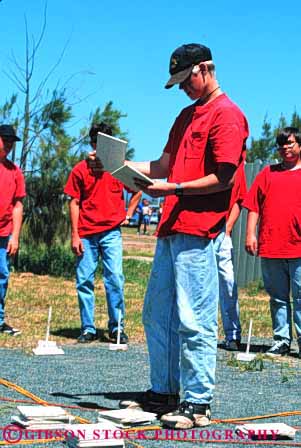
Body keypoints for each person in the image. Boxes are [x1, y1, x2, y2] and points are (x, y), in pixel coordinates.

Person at [119, 43, 248, 428]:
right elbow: (162, 165)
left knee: (195, 318)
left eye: (184, 80)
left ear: (204, 69)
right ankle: (164, 391)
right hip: (171, 229)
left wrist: (173, 189)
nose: (182, 88)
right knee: (157, 314)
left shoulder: (227, 115)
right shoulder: (185, 115)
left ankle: (198, 401)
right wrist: (121, 167)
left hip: (200, 229)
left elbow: (223, 178)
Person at [64, 122, 141, 344]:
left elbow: (138, 189)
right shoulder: (80, 169)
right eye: (98, 144)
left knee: (115, 279)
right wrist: (75, 235)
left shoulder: (117, 169)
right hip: (86, 234)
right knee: (84, 281)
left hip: (111, 233)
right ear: (93, 144)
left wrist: (129, 213)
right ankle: (88, 328)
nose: (101, 149)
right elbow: (74, 202)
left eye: (106, 144)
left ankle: (116, 328)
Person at [243, 127, 301, 358]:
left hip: (298, 247)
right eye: (282, 144)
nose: (286, 148)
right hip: (272, 246)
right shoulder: (267, 173)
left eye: (290, 143)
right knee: (277, 297)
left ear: (299, 145)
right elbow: (253, 206)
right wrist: (250, 234)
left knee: (300, 296)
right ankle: (281, 340)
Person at [216, 163, 247, 351]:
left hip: (221, 232)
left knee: (228, 282)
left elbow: (239, 199)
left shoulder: (237, 167)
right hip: (197, 231)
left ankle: (232, 334)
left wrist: (227, 228)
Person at [0, 124, 25, 336]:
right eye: (4, 140)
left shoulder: (15, 171)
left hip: (3, 233)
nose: (7, 145)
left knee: (2, 275)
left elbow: (18, 205)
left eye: (11, 142)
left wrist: (14, 236)